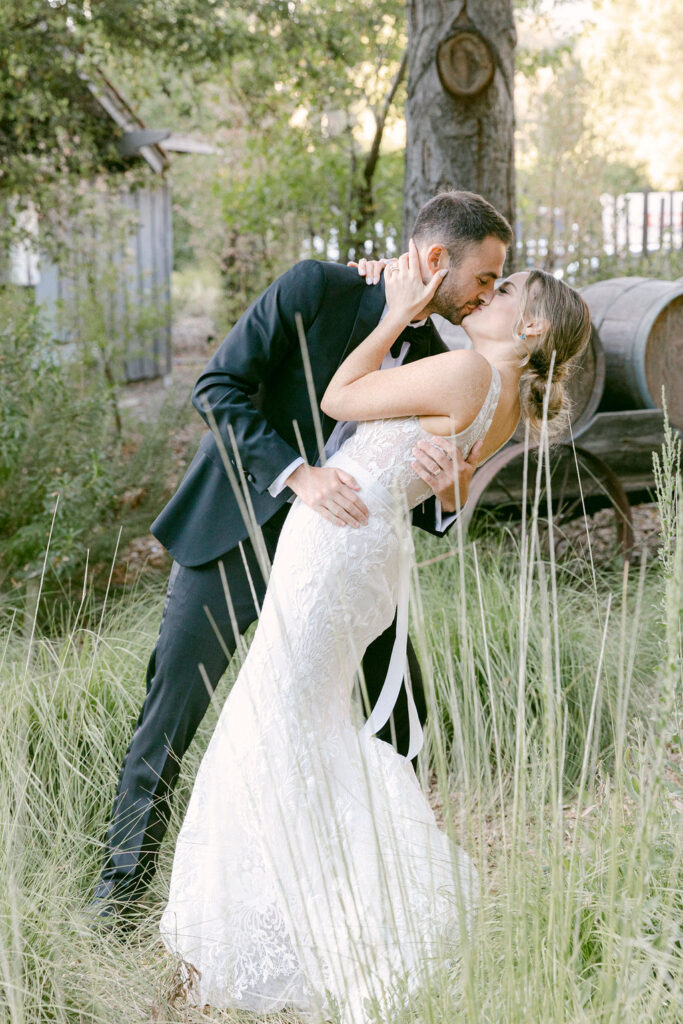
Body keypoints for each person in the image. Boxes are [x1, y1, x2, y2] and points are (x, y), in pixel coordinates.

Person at [159, 252, 592, 1021]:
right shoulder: (500, 397)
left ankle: (279, 924)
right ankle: (294, 903)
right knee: (298, 723)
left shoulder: (466, 376)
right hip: (358, 553)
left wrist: (394, 314)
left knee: (271, 723)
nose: (484, 297)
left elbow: (339, 397)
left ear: (528, 327)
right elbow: (447, 478)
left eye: (503, 291)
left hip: (336, 547)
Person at [90, 191, 514, 922]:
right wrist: (299, 475)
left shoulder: (438, 355)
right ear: (437, 258)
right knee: (172, 711)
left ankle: (382, 894)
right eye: (483, 276)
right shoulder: (315, 286)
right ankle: (119, 894)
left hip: (344, 565)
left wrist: (447, 496)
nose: (484, 295)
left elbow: (417, 490)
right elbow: (216, 387)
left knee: (400, 716)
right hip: (237, 532)